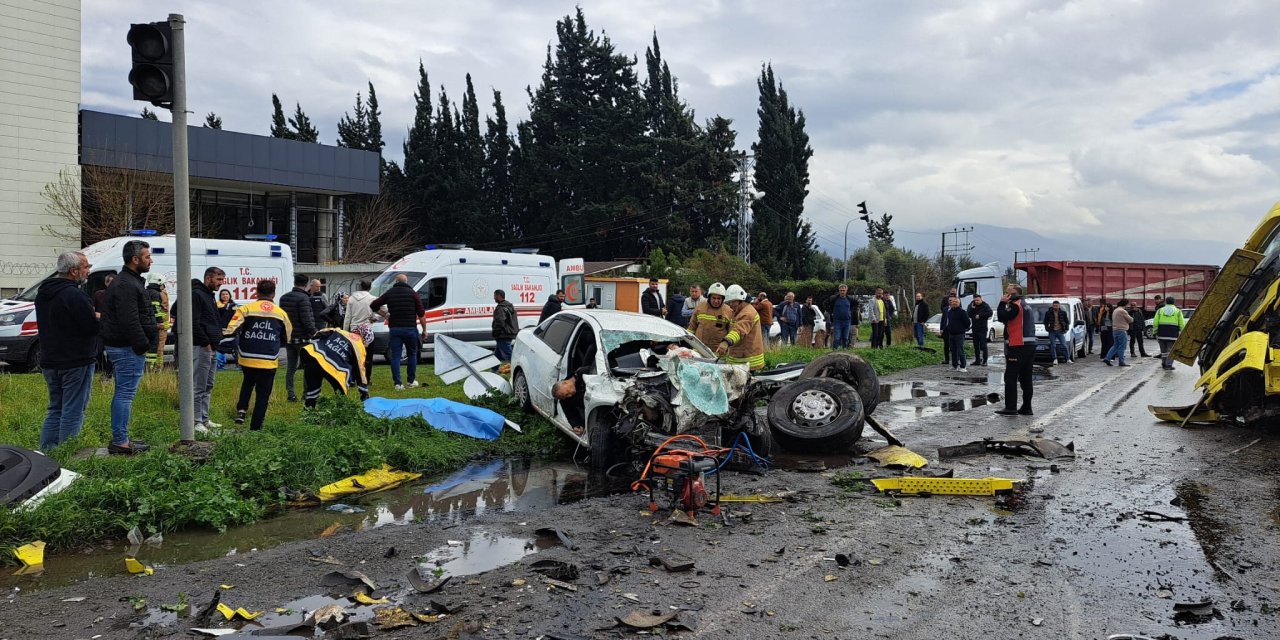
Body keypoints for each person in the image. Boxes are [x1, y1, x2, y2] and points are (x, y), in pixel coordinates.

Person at [36, 251, 98, 451]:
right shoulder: (75, 295)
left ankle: (48, 450)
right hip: (75, 360)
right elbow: (90, 327)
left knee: (55, 408)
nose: (88, 271)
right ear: (74, 271)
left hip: (50, 359)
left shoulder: (43, 293)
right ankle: (68, 453)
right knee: (73, 409)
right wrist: (99, 318)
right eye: (86, 267)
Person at [99, 239, 156, 454]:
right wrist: (142, 345)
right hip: (126, 348)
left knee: (124, 392)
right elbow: (129, 320)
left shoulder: (129, 281)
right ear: (135, 259)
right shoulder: (126, 284)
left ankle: (121, 437)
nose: (151, 260)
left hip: (125, 346)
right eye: (147, 256)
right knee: (125, 393)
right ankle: (120, 441)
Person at [225, 280, 291, 430]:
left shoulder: (246, 309)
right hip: (268, 359)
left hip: (247, 357)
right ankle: (256, 426)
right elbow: (288, 336)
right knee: (263, 394)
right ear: (273, 293)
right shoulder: (281, 314)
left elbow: (231, 328)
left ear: (257, 292)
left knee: (248, 382)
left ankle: (241, 412)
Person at [371, 273, 427, 390]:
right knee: (412, 354)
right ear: (406, 282)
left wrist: (385, 315)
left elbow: (374, 305)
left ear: (396, 282)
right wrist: (425, 330)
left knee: (396, 356)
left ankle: (398, 384)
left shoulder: (390, 293)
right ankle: (411, 381)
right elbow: (421, 314)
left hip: (395, 329)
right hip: (410, 328)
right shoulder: (413, 294)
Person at [188, 267, 226, 435]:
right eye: (218, 280)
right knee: (199, 385)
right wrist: (205, 342)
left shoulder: (209, 296)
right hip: (202, 346)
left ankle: (204, 418)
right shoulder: (197, 294)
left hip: (212, 346)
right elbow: (194, 322)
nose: (221, 283)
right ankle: (196, 421)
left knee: (208, 384)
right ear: (209, 278)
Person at [301, 327, 370, 408]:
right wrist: (364, 393)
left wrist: (316, 342)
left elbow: (320, 332)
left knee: (312, 389)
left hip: (314, 357)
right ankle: (339, 415)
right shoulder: (360, 346)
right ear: (366, 339)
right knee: (341, 395)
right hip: (333, 366)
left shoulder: (339, 331)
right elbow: (361, 371)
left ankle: (308, 413)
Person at [995, 284, 1036, 416]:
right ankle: (1027, 407)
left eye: (1008, 293)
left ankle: (1011, 407)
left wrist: (1002, 303)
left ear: (1014, 294)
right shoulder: (1025, 304)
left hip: (1018, 345)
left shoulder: (1015, 305)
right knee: (1026, 377)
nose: (1006, 295)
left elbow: (1001, 316)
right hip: (1029, 345)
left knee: (1010, 377)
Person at [280, 273, 318, 402]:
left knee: (291, 367)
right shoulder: (304, 298)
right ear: (306, 284)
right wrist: (315, 333)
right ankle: (306, 394)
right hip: (303, 338)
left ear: (294, 282)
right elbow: (306, 319)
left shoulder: (284, 298)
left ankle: (290, 394)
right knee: (308, 367)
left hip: (289, 337)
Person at [715, 284, 765, 370]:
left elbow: (739, 330)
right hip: (739, 358)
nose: (730, 305)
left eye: (732, 302)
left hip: (748, 362)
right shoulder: (738, 311)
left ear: (740, 300)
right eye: (729, 302)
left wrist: (726, 342)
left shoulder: (748, 313)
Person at [688, 282, 734, 349]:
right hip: (699, 349)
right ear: (709, 297)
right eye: (714, 298)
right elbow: (691, 328)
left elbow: (731, 331)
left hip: (718, 352)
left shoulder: (729, 311)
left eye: (719, 298)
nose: (716, 301)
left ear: (723, 299)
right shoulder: (700, 308)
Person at [1152, 296, 1186, 370]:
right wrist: (1183, 332)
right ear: (1174, 302)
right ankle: (1168, 365)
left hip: (1162, 333)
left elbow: (1155, 322)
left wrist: (1155, 332)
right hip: (1173, 334)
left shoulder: (1160, 311)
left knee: (1163, 351)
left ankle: (1164, 363)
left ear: (1166, 302)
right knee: (1170, 350)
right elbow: (1181, 323)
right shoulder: (1178, 311)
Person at [144, 273, 170, 368]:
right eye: (162, 284)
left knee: (151, 349)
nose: (163, 286)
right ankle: (156, 368)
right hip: (157, 326)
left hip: (149, 325)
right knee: (156, 349)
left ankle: (152, 367)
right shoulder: (156, 294)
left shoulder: (146, 291)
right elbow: (156, 309)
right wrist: (161, 322)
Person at [944, 296, 971, 371]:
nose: (954, 303)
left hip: (960, 334)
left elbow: (968, 323)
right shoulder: (949, 312)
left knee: (960, 351)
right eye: (953, 302)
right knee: (953, 351)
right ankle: (954, 365)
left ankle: (963, 366)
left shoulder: (962, 312)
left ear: (959, 303)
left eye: (956, 302)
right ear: (951, 303)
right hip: (951, 334)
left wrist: (961, 328)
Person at [492, 289, 520, 362]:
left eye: (495, 296)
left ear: (499, 296)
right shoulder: (509, 306)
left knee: (508, 354)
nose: (494, 298)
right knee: (497, 354)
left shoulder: (500, 308)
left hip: (503, 334)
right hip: (508, 333)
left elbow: (500, 322)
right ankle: (494, 369)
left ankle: (517, 367)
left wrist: (496, 332)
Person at [824, 284, 854, 350]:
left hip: (847, 321)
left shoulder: (850, 298)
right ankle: (835, 350)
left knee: (846, 337)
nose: (842, 292)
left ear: (846, 290)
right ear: (839, 291)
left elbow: (856, 304)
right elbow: (825, 303)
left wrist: (851, 311)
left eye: (844, 290)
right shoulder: (834, 298)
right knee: (837, 337)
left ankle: (845, 350)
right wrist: (831, 312)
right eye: (841, 290)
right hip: (837, 321)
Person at [1104, 299, 1132, 367]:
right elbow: (1131, 320)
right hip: (1122, 330)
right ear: (1125, 304)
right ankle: (1121, 361)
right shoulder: (1122, 311)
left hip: (1115, 330)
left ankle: (1107, 358)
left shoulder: (1115, 310)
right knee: (1122, 346)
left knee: (1115, 345)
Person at [1044, 300, 1073, 365]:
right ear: (1052, 306)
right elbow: (1045, 322)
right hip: (1052, 331)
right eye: (1054, 306)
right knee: (1053, 345)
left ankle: (1068, 359)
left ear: (1059, 306)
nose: (1055, 307)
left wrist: (1066, 329)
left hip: (1060, 331)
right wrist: (1047, 329)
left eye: (1056, 306)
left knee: (1064, 345)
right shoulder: (1048, 313)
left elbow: (1067, 322)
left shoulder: (1063, 313)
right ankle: (1055, 359)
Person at [968, 294, 993, 366]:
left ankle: (985, 360)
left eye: (978, 300)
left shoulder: (985, 305)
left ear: (981, 299)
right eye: (975, 300)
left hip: (982, 328)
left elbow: (990, 313)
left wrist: (980, 315)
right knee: (976, 345)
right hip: (975, 328)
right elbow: (968, 314)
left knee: (983, 345)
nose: (976, 301)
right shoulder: (972, 305)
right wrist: (972, 308)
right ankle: (977, 360)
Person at [940, 287, 957, 363]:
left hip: (954, 329)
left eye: (952, 300)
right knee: (946, 345)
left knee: (954, 345)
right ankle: (947, 359)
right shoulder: (945, 309)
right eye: (949, 300)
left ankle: (956, 359)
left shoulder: (958, 309)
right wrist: (941, 328)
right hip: (946, 329)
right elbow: (943, 319)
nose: (951, 302)